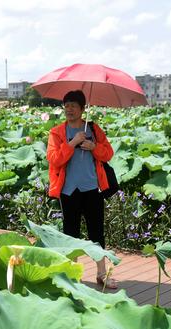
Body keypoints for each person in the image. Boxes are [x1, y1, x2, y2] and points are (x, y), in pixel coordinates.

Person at [46, 90, 118, 289]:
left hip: (92, 188)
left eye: (73, 106)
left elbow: (108, 154)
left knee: (97, 232)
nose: (69, 109)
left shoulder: (93, 129)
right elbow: (54, 159)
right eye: (66, 105)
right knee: (71, 234)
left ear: (82, 109)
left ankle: (101, 274)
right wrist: (73, 143)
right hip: (68, 191)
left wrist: (93, 146)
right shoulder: (56, 133)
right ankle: (72, 274)